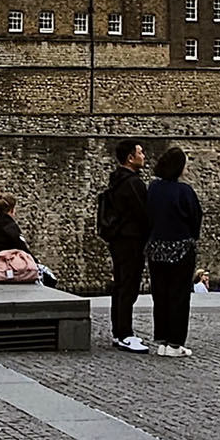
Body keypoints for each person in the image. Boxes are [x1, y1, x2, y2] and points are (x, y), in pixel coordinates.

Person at [146, 145, 203, 358]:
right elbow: (195, 217)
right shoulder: (184, 191)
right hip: (180, 247)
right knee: (179, 296)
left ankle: (162, 339)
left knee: (160, 295)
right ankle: (176, 342)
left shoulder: (153, 188)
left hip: (156, 247)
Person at [99, 140, 152, 353]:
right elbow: (143, 213)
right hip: (130, 240)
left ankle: (119, 331)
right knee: (128, 287)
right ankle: (125, 333)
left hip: (120, 239)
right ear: (130, 158)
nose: (144, 156)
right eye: (140, 152)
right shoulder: (133, 184)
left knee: (121, 285)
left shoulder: (118, 181)